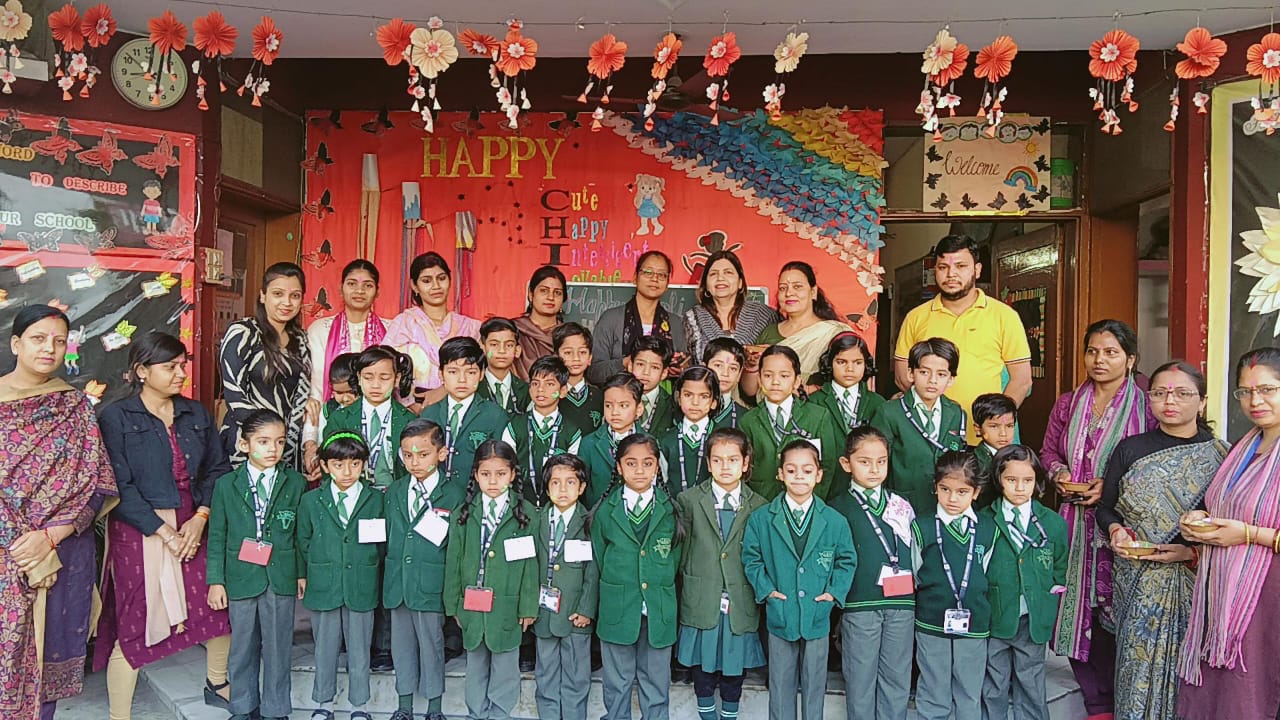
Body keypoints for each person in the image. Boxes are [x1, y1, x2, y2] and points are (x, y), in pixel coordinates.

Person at [95, 333, 233, 719]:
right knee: (137, 619)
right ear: (141, 371)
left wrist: (200, 518)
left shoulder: (196, 414)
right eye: (170, 367)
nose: (181, 373)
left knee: (216, 605)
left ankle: (218, 684)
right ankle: (119, 715)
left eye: (183, 365)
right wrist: (165, 532)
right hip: (139, 529)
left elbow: (218, 469)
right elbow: (118, 486)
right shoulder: (116, 417)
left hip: (193, 522)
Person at [0, 305, 117, 720]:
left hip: (62, 554)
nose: (49, 348)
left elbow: (98, 485)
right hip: (6, 556)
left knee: (47, 661)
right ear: (16, 344)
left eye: (59, 341)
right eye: (38, 339)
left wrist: (49, 537)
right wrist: (20, 543)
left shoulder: (75, 407)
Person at [1092, 361, 1222, 720]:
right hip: (1137, 580)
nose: (1170, 401)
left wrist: (1190, 553)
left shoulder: (1222, 456)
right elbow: (1106, 509)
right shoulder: (1130, 449)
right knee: (1136, 669)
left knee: (1190, 673)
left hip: (1195, 583)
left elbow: (1226, 525)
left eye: (1182, 393)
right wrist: (1116, 531)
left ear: (1202, 401)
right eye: (1160, 393)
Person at [1041, 319, 1153, 720]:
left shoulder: (1147, 407)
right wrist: (1060, 475)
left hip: (1120, 525)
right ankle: (1096, 705)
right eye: (1092, 351)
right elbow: (1049, 451)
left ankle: (1123, 701)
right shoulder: (1068, 403)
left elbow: (1154, 459)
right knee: (1074, 612)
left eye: (1110, 352)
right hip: (1073, 523)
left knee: (1115, 614)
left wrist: (1110, 484)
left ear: (1130, 359)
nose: (1099, 360)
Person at [1177, 346, 1280, 720]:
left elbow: (1249, 525)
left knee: (1254, 691)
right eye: (1246, 391)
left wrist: (1250, 535)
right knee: (1223, 694)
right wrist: (1202, 519)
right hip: (1224, 594)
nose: (1255, 401)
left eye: (1267, 389)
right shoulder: (1245, 446)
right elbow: (1231, 507)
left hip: (1267, 596)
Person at [742, 439, 856, 720]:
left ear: (819, 475)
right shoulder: (761, 519)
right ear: (780, 474)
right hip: (780, 612)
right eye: (791, 470)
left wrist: (833, 593)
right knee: (780, 683)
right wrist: (767, 591)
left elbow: (846, 560)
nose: (799, 477)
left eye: (807, 471)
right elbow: (751, 558)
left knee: (816, 683)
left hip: (818, 613)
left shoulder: (835, 520)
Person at [206, 409, 307, 720]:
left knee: (278, 648)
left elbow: (301, 534)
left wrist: (301, 573)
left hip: (281, 574)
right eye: (263, 442)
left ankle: (276, 710)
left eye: (279, 442)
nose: (272, 449)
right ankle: (242, 706)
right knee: (242, 648)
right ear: (244, 444)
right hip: (240, 575)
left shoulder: (295, 482)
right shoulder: (226, 485)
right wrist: (216, 580)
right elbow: (217, 535)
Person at [893, 234, 1032, 443]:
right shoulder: (916, 318)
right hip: (930, 438)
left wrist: (994, 424)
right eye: (943, 267)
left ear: (977, 269)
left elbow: (1021, 381)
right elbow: (903, 376)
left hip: (986, 441)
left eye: (961, 266)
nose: (951, 274)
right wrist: (930, 417)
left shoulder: (1004, 316)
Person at [675, 428, 768, 720]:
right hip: (702, 595)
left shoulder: (759, 505)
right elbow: (681, 552)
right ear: (708, 463)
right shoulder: (689, 500)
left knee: (733, 662)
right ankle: (707, 714)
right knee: (702, 663)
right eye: (717, 460)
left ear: (745, 462)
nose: (725, 467)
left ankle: (729, 714)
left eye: (732, 460)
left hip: (739, 597)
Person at [443, 440, 540, 720]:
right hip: (471, 604)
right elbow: (454, 563)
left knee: (505, 665)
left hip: (507, 604)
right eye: (486, 474)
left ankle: (500, 714)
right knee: (476, 663)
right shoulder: (464, 513)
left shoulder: (526, 514)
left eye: (501, 474)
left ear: (513, 474)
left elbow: (530, 566)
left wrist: (528, 606)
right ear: (475, 474)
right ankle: (476, 713)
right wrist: (453, 603)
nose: (493, 481)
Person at [591, 434, 683, 720]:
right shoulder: (605, 512)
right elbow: (599, 559)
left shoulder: (671, 510)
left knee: (656, 682)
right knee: (616, 682)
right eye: (631, 463)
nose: (640, 470)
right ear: (619, 467)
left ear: (657, 466)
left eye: (647, 463)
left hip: (658, 609)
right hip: (617, 609)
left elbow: (675, 560)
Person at [829, 426, 917, 720]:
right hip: (860, 604)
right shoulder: (837, 508)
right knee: (861, 680)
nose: (874, 469)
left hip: (901, 603)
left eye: (881, 461)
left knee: (897, 678)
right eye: (864, 462)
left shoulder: (900, 505)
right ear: (846, 464)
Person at [297, 432, 383, 720]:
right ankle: (324, 703)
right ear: (324, 466)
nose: (347, 472)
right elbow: (302, 541)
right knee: (325, 648)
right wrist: (303, 574)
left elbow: (382, 544)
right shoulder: (311, 501)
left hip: (362, 583)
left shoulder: (375, 499)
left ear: (364, 464)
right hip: (324, 583)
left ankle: (360, 706)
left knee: (360, 649)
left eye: (355, 464)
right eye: (338, 464)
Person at [980, 445, 1068, 720]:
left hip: (1032, 617)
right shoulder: (984, 521)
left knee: (1031, 682)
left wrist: (1049, 597)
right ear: (998, 479)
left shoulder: (1053, 523)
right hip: (995, 615)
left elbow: (1060, 566)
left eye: (1027, 480)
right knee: (993, 683)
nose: (1020, 487)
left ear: (1037, 481)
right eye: (1011, 479)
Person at [910, 451, 995, 720]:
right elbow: (915, 572)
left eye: (962, 491)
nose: (952, 498)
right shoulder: (922, 527)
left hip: (974, 622)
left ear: (976, 492)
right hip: (931, 621)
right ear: (935, 487)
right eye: (945, 489)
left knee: (969, 691)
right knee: (933, 689)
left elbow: (985, 571)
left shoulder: (988, 529)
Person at [384, 419, 460, 720]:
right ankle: (403, 706)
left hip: (431, 582)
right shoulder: (394, 491)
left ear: (441, 454)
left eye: (423, 454)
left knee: (432, 645)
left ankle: (434, 708)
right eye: (407, 455)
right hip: (398, 583)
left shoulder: (453, 494)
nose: (414, 462)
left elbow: (457, 548)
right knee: (401, 646)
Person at [219, 262, 317, 473]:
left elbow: (299, 392)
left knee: (285, 493)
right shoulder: (243, 332)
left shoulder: (300, 339)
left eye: (295, 296)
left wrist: (306, 402)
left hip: (287, 445)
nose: (287, 302)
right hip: (247, 443)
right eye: (278, 294)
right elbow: (234, 395)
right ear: (263, 296)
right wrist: (268, 437)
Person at [532, 454, 599, 720]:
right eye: (555, 483)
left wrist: (586, 609)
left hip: (575, 614)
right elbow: (529, 566)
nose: (562, 489)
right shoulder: (536, 519)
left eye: (570, 482)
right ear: (546, 488)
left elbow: (593, 571)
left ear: (582, 488)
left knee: (576, 676)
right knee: (545, 674)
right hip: (543, 612)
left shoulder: (590, 521)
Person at [871, 338, 969, 514]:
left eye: (941, 374)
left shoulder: (956, 413)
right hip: (902, 505)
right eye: (924, 372)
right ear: (911, 373)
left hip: (945, 506)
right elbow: (877, 463)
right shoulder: (890, 412)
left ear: (951, 379)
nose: (932, 380)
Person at [739, 345, 842, 501]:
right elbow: (744, 469)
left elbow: (827, 466)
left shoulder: (818, 416)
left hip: (807, 502)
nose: (775, 382)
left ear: (797, 381)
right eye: (768, 375)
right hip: (762, 501)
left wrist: (813, 502)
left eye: (784, 376)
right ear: (759, 379)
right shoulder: (748, 421)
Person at [385, 252, 481, 407]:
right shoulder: (403, 324)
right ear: (414, 286)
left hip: (460, 407)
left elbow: (484, 367)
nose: (436, 286)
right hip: (409, 409)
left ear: (449, 280)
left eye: (441, 278)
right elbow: (384, 368)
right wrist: (411, 405)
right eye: (426, 281)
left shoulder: (471, 328)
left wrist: (444, 390)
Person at [743, 261, 850, 396]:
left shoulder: (834, 333)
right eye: (783, 288)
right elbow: (751, 392)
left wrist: (805, 390)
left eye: (797, 287)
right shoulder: (769, 332)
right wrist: (752, 365)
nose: (789, 293)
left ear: (813, 292)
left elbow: (848, 380)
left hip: (819, 408)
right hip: (770, 408)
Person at [420, 337, 512, 489]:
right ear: (441, 374)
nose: (462, 380)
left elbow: (504, 463)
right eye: (453, 372)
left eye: (471, 372)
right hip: (435, 496)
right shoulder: (429, 414)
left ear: (481, 374)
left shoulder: (496, 416)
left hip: (477, 496)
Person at [588, 251, 688, 385]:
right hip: (619, 396)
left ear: (667, 283)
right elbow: (594, 372)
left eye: (662, 275)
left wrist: (680, 368)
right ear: (635, 277)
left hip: (663, 396)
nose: (655, 278)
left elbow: (685, 368)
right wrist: (626, 363)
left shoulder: (674, 323)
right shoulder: (611, 319)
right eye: (648, 272)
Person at [323, 346, 416, 490]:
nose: (376, 385)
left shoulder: (409, 420)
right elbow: (329, 464)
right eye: (368, 377)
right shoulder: (339, 419)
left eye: (384, 378)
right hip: (354, 495)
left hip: (395, 494)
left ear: (397, 379)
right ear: (359, 378)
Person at [808, 332, 885, 496]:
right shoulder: (814, 402)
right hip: (826, 488)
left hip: (867, 488)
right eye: (841, 362)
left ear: (866, 364)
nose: (850, 369)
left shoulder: (878, 403)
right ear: (829, 363)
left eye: (857, 362)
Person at [502, 356, 587, 507]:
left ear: (563, 391)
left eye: (549, 384)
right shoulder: (514, 426)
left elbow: (573, 475)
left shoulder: (572, 432)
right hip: (518, 504)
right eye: (535, 383)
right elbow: (504, 467)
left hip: (558, 505)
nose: (540, 389)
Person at [306, 259, 388, 403]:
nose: (360, 291)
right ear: (340, 288)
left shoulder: (391, 330)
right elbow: (315, 383)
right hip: (327, 409)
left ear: (377, 292)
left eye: (368, 285)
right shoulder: (319, 330)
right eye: (352, 284)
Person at [683, 250, 779, 362]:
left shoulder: (764, 316)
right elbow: (686, 363)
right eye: (713, 274)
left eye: (728, 272)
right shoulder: (692, 318)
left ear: (740, 283)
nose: (720, 278)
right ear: (706, 285)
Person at [579, 373, 642, 507]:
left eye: (623, 406)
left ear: (639, 409)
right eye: (608, 405)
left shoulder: (649, 443)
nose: (614, 412)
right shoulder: (588, 444)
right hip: (598, 515)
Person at [658, 366, 722, 494]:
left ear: (714, 402)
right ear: (679, 398)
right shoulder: (665, 440)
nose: (695, 402)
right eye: (688, 395)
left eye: (704, 396)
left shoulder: (723, 439)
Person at [302, 353, 361, 474]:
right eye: (339, 393)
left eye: (351, 392)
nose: (345, 398)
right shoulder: (328, 409)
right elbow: (320, 441)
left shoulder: (367, 411)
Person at [514, 266, 567, 381]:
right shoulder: (512, 330)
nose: (550, 297)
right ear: (531, 294)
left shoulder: (569, 335)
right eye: (544, 291)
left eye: (557, 293)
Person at [971, 393, 1018, 508]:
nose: (1003, 433)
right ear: (978, 429)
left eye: (1009, 426)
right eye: (994, 426)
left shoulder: (1020, 459)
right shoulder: (972, 463)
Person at [555, 322, 604, 431]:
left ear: (590, 358)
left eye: (582, 352)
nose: (576, 358)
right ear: (556, 356)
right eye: (568, 353)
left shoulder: (599, 396)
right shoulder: (550, 394)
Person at [477, 317, 530, 415]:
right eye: (494, 344)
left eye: (509, 345)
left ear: (517, 351)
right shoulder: (473, 386)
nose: (502, 351)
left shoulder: (527, 391)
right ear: (482, 347)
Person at [626, 335, 677, 435]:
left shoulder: (672, 405)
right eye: (640, 364)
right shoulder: (615, 397)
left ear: (664, 373)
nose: (646, 372)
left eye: (654, 367)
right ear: (630, 366)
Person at [703, 337, 748, 428]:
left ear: (739, 375)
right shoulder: (687, 409)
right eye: (718, 365)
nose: (725, 373)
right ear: (704, 367)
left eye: (733, 368)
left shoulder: (745, 418)